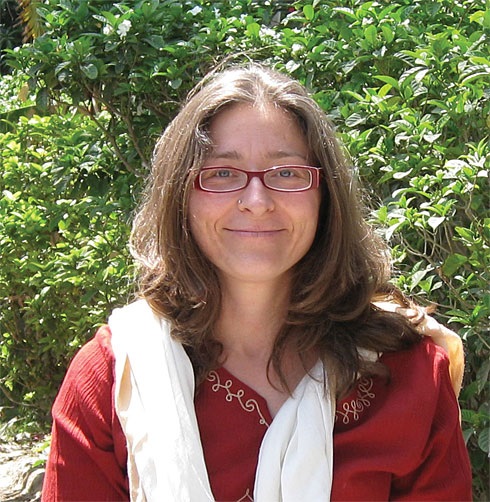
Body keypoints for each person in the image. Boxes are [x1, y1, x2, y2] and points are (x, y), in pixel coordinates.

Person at [42, 63, 472, 501]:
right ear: (182, 196)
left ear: (325, 197)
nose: (256, 201)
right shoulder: (115, 379)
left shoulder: (408, 376)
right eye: (222, 173)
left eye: (287, 173)